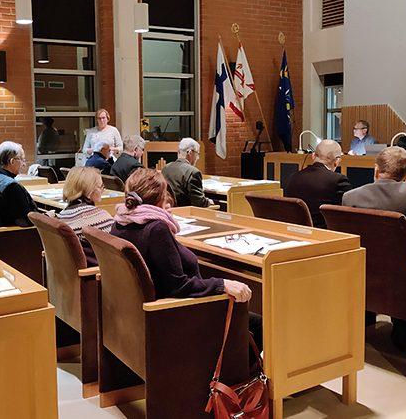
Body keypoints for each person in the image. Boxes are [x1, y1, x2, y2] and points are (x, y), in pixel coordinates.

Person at [109, 169, 262, 349]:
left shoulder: (120, 222)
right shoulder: (156, 229)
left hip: (136, 316)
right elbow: (179, 286)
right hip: (181, 314)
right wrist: (221, 284)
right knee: (258, 324)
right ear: (161, 197)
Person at [284, 139, 351, 228]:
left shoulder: (293, 177)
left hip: (293, 231)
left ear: (313, 156)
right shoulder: (338, 180)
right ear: (337, 161)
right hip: (323, 233)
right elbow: (348, 215)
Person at [56, 167, 115, 267]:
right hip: (98, 272)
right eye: (101, 186)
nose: (103, 190)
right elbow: (115, 248)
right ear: (90, 190)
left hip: (69, 272)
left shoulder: (62, 215)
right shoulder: (100, 217)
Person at [0, 141, 39, 227]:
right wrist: (47, 216)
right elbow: (25, 221)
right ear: (12, 161)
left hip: (0, 229)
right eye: (22, 160)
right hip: (16, 232)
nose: (24, 165)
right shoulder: (12, 187)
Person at [161, 138, 213, 207]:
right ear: (190, 153)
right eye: (197, 154)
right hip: (185, 211)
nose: (198, 158)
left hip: (169, 209)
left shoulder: (165, 168)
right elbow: (199, 203)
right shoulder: (193, 172)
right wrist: (209, 202)